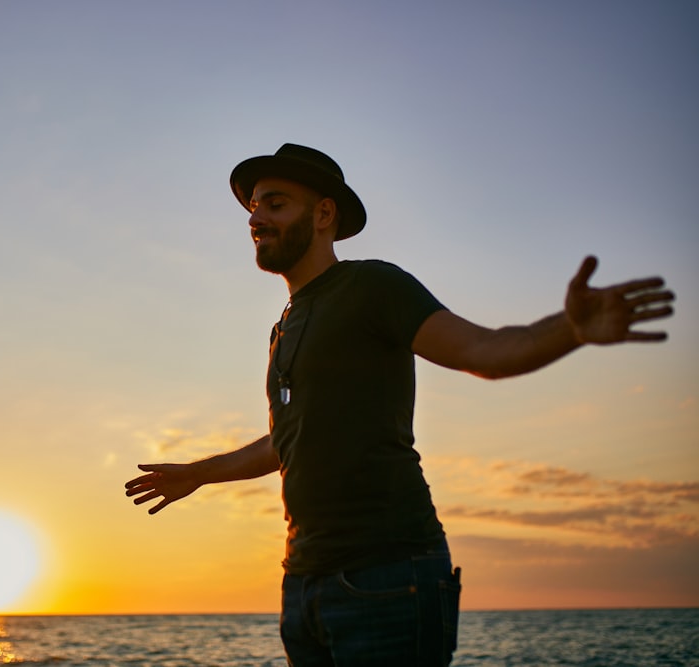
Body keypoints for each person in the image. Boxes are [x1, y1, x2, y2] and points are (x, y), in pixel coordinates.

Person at [124, 144, 675, 666]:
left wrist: (569, 329)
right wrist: (198, 473)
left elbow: (482, 350)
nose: (255, 218)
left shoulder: (373, 286)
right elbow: (286, 439)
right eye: (252, 207)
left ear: (323, 215)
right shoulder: (282, 328)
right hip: (303, 584)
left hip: (387, 575)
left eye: (274, 203)